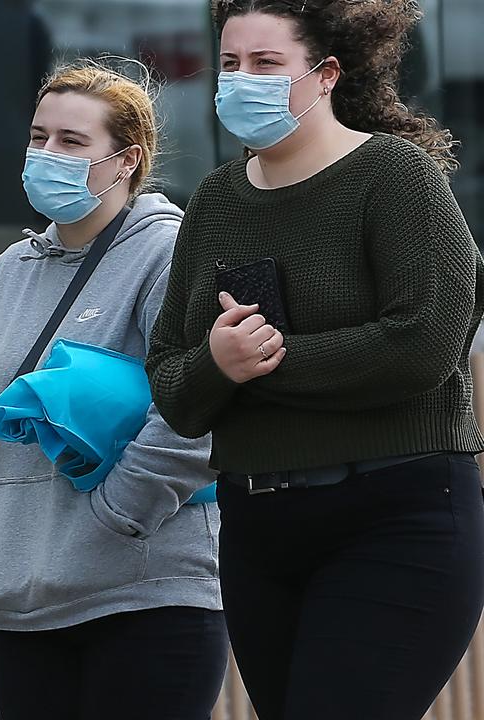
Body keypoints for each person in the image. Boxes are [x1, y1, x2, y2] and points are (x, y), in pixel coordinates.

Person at [145, 1, 484, 718]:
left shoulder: (395, 178)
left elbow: (422, 344)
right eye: (230, 64)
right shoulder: (212, 201)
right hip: (258, 529)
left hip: (395, 516)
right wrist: (219, 365)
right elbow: (173, 384)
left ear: (326, 73)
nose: (242, 81)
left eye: (267, 64)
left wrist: (263, 365)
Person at [0, 60, 227, 720]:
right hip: (23, 605)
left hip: (144, 597)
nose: (47, 155)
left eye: (72, 142)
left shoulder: (169, 254)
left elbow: (200, 404)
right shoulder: (10, 271)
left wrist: (119, 514)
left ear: (127, 159)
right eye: (39, 137)